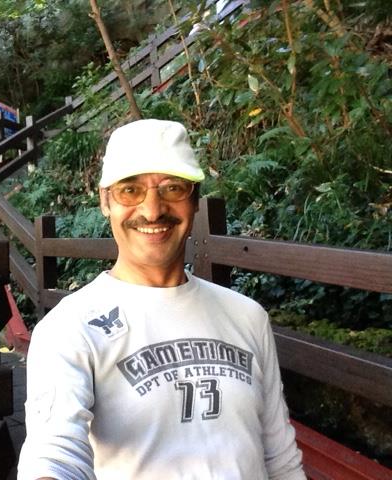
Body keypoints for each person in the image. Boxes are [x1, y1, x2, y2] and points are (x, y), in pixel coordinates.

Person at [17, 119, 305, 480]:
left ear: (195, 200)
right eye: (130, 190)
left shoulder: (247, 316)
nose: (152, 210)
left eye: (173, 188)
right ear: (105, 201)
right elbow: (55, 455)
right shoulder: (69, 329)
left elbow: (280, 460)